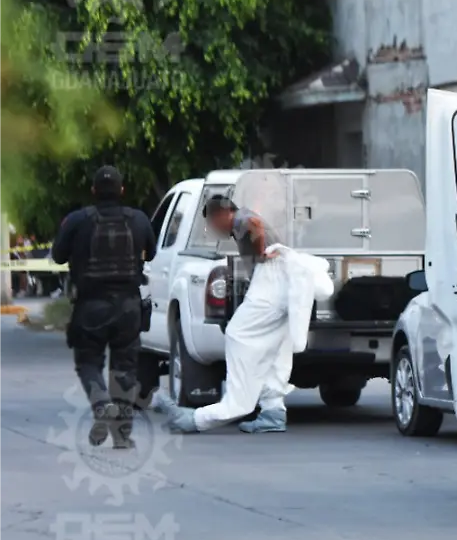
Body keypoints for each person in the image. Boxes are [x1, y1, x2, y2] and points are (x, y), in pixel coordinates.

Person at [159, 195, 294, 434]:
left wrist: (261, 254)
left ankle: (203, 416)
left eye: (211, 222)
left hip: (271, 289)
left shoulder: (241, 219)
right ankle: (274, 413)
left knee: (236, 334)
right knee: (272, 352)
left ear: (221, 214)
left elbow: (255, 225)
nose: (212, 229)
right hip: (279, 290)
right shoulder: (240, 219)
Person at [51, 166, 156, 449]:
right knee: (125, 369)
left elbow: (58, 256)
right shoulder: (139, 220)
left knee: (88, 362)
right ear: (122, 190)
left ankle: (100, 405)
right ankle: (122, 436)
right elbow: (152, 252)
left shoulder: (76, 220)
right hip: (128, 307)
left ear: (94, 191)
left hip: (90, 306)